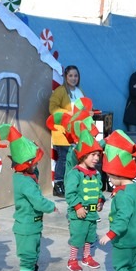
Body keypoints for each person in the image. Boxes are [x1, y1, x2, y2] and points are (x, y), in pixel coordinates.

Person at [0, 124, 58, 271]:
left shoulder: (24, 177)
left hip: (32, 226)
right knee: (28, 255)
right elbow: (37, 200)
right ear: (25, 165)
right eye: (33, 164)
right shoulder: (25, 182)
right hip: (26, 227)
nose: (36, 167)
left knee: (33, 253)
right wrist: (51, 206)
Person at [98, 130, 136, 271]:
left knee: (120, 265)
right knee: (132, 262)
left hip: (124, 239)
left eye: (111, 176)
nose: (110, 180)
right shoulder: (134, 188)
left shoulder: (123, 195)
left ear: (119, 174)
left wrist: (111, 234)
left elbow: (123, 218)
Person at [64, 129, 105, 271]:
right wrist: (77, 206)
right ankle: (72, 259)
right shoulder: (75, 173)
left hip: (93, 214)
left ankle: (86, 257)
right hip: (79, 214)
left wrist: (100, 200)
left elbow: (99, 190)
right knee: (77, 236)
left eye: (98, 155)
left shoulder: (96, 174)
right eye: (93, 155)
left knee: (90, 236)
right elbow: (70, 193)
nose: (96, 158)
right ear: (83, 156)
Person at [49, 65, 85, 197]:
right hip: (63, 132)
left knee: (73, 159)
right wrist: (68, 113)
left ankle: (70, 184)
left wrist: (87, 112)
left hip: (75, 132)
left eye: (76, 76)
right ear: (65, 76)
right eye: (70, 76)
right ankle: (58, 185)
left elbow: (82, 108)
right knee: (63, 159)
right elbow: (52, 108)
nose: (73, 78)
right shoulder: (60, 91)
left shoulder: (79, 91)